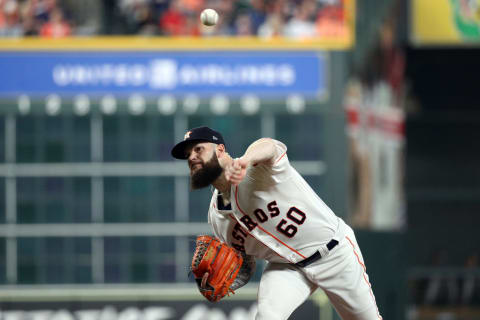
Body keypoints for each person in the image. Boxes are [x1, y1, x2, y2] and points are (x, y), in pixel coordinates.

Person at [171, 126, 382, 320]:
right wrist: (219, 278)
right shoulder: (217, 218)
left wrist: (246, 159)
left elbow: (270, 147)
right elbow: (244, 263)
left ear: (220, 149)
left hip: (333, 253)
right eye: (188, 155)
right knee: (267, 316)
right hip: (287, 267)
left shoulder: (257, 169)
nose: (192, 157)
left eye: (198, 149)